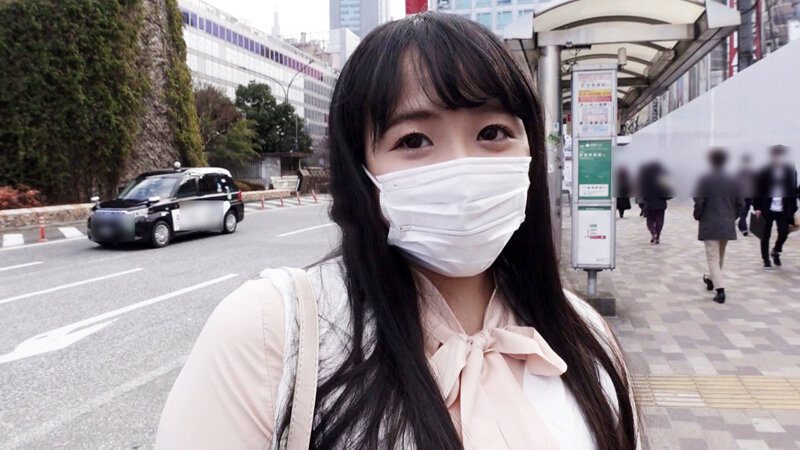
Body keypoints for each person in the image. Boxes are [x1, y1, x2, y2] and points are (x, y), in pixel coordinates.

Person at [155, 13, 638, 450]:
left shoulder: (587, 337)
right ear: (362, 173)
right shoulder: (270, 334)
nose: (461, 169)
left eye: (492, 133)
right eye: (413, 140)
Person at [693, 149, 744, 304]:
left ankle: (720, 290)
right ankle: (711, 279)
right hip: (726, 223)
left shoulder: (705, 179)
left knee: (712, 257)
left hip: (710, 223)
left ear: (711, 161)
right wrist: (732, 217)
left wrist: (698, 215)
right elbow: (741, 203)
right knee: (719, 256)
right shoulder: (733, 180)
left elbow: (699, 201)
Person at [753, 145, 798, 269]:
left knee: (784, 233)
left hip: (783, 209)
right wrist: (757, 207)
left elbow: (793, 190)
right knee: (765, 235)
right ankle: (766, 259)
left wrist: (793, 209)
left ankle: (776, 250)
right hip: (767, 208)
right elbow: (757, 190)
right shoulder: (764, 171)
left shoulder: (790, 171)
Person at [638, 161, 672, 244]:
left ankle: (654, 233)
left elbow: (643, 190)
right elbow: (668, 190)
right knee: (659, 220)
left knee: (650, 220)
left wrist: (644, 199)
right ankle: (658, 236)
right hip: (661, 203)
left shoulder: (646, 177)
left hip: (650, 203)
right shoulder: (663, 176)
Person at [736, 154, 756, 236]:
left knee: (745, 212)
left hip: (749, 196)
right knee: (743, 212)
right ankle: (743, 228)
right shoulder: (739, 173)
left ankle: (741, 225)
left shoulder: (753, 173)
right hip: (741, 196)